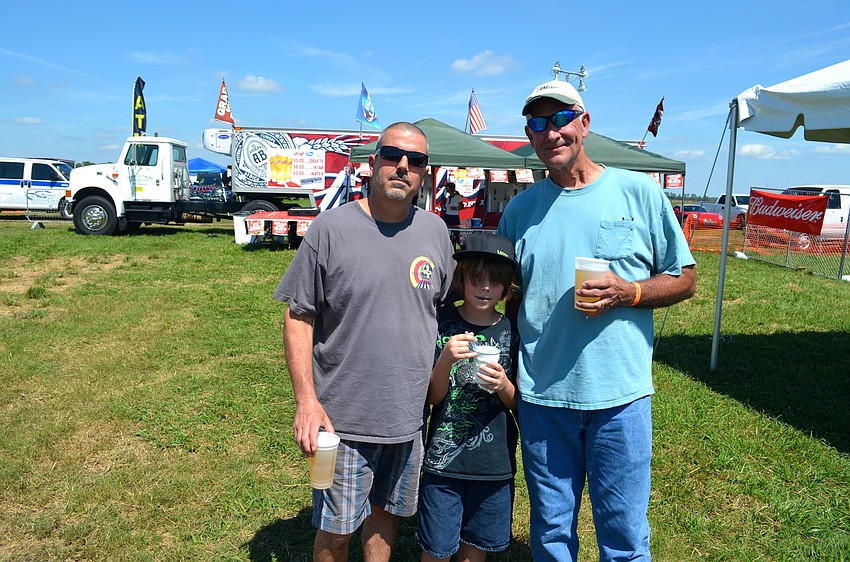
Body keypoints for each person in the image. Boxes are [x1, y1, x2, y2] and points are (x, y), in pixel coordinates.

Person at [497, 80, 697, 561]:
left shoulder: (638, 193)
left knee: (624, 533)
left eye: (562, 119)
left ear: (584, 123)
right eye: (538, 123)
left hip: (620, 396)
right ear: (530, 134)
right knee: (550, 533)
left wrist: (628, 291)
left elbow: (685, 278)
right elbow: (505, 301)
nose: (552, 133)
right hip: (544, 396)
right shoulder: (519, 212)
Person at [274, 122, 455, 562]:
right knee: (335, 534)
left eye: (416, 161)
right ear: (372, 163)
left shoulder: (436, 233)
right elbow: (298, 317)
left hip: (407, 420)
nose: (404, 166)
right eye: (393, 155)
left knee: (385, 519)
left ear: (425, 174)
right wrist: (306, 402)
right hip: (343, 421)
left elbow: (443, 309)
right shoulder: (330, 230)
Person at [416, 232, 520, 562]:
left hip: (494, 467)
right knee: (436, 550)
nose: (485, 288)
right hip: (443, 466)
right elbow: (433, 398)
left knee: (474, 554)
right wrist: (446, 359)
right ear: (463, 279)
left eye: (494, 281)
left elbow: (520, 403)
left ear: (506, 287)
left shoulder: (512, 332)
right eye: (476, 279)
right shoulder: (443, 324)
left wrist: (503, 385)